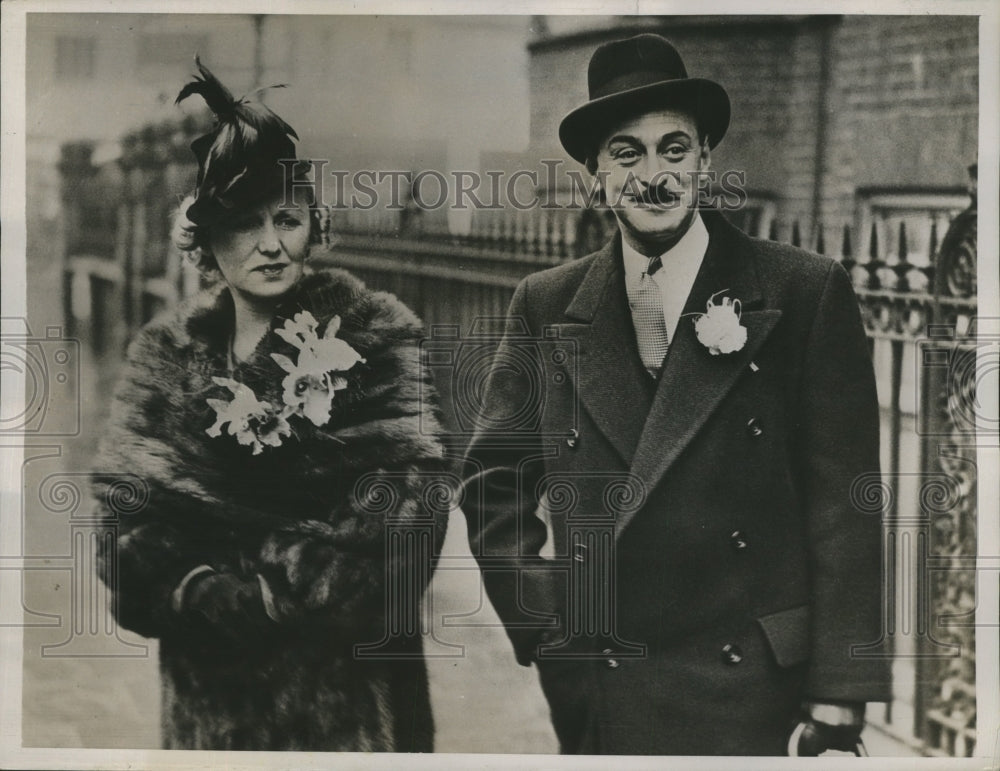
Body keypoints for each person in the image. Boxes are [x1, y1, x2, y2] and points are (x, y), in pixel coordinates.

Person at [461, 34, 891, 755]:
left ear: (704, 163)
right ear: (596, 176)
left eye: (674, 149)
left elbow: (846, 500)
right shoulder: (547, 303)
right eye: (627, 153)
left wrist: (842, 684)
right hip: (604, 681)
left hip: (758, 691)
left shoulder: (802, 290)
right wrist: (551, 626)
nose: (653, 174)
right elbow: (490, 485)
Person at [92, 59, 448, 751]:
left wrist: (255, 584)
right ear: (203, 243)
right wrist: (197, 586)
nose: (270, 242)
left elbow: (405, 529)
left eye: (287, 218)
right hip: (211, 704)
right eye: (244, 223)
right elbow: (120, 526)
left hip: (347, 702)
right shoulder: (165, 354)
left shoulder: (375, 337)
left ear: (314, 227)